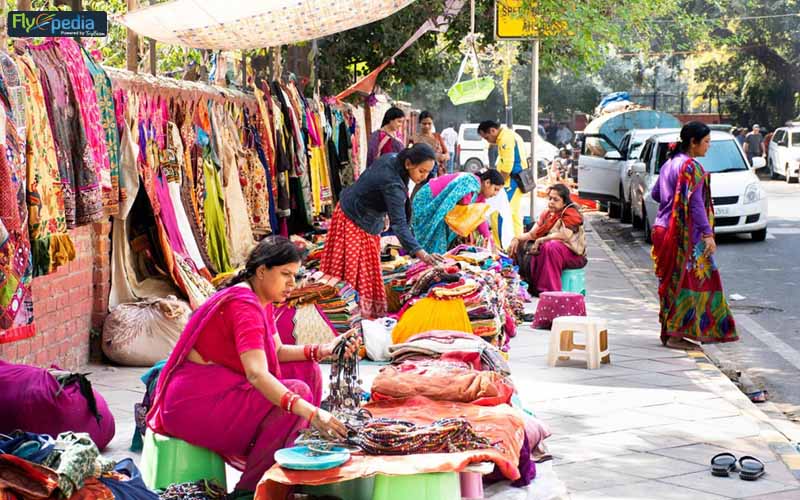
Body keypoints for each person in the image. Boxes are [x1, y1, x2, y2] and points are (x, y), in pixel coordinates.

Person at [146, 236, 360, 494]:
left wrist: (325, 350)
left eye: (295, 275)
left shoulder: (261, 299)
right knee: (298, 397)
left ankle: (293, 460)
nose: (292, 283)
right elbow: (257, 374)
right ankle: (254, 489)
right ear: (261, 271)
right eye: (285, 274)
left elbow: (277, 351)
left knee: (308, 369)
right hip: (194, 404)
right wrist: (313, 413)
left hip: (219, 389)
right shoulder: (243, 306)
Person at [321, 144, 442, 318]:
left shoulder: (392, 158)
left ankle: (353, 311)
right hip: (353, 221)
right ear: (408, 164)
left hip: (358, 214)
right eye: (421, 171)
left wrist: (384, 213)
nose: (423, 177)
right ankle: (345, 314)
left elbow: (371, 184)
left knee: (364, 270)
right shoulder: (393, 184)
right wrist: (422, 254)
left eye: (427, 173)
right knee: (352, 271)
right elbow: (400, 225)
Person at [651, 121, 738, 349]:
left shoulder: (668, 163)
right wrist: (708, 234)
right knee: (692, 282)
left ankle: (672, 331)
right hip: (684, 235)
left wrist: (673, 203)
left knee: (671, 281)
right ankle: (676, 335)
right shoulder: (692, 167)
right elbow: (697, 205)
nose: (708, 147)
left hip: (662, 230)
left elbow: (655, 194)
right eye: (706, 142)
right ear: (693, 142)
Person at [508, 184, 587, 296]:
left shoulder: (571, 213)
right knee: (519, 245)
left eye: (555, 199)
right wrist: (516, 238)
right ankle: (524, 285)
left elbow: (565, 235)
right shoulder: (547, 214)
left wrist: (542, 239)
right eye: (550, 198)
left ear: (564, 202)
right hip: (552, 252)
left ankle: (550, 291)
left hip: (573, 255)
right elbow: (532, 234)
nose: (551, 202)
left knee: (550, 246)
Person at [412, 169, 505, 254]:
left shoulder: (479, 194)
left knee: (439, 244)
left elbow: (480, 219)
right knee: (435, 240)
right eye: (495, 189)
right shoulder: (470, 182)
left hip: (438, 205)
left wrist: (491, 243)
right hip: (428, 199)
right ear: (487, 183)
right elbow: (464, 206)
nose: (495, 194)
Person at [478, 120, 526, 238]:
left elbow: (507, 167)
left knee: (499, 214)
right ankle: (518, 244)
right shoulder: (510, 135)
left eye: (487, 137)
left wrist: (497, 185)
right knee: (514, 215)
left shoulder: (505, 139)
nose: (488, 141)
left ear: (492, 131)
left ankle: (501, 248)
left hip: (511, 183)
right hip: (517, 181)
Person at [409, 111, 449, 176]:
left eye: (429, 123)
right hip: (421, 175)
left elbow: (447, 154)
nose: (427, 126)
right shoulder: (414, 138)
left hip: (438, 173)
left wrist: (443, 157)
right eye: (424, 124)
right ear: (420, 123)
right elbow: (409, 156)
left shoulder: (437, 137)